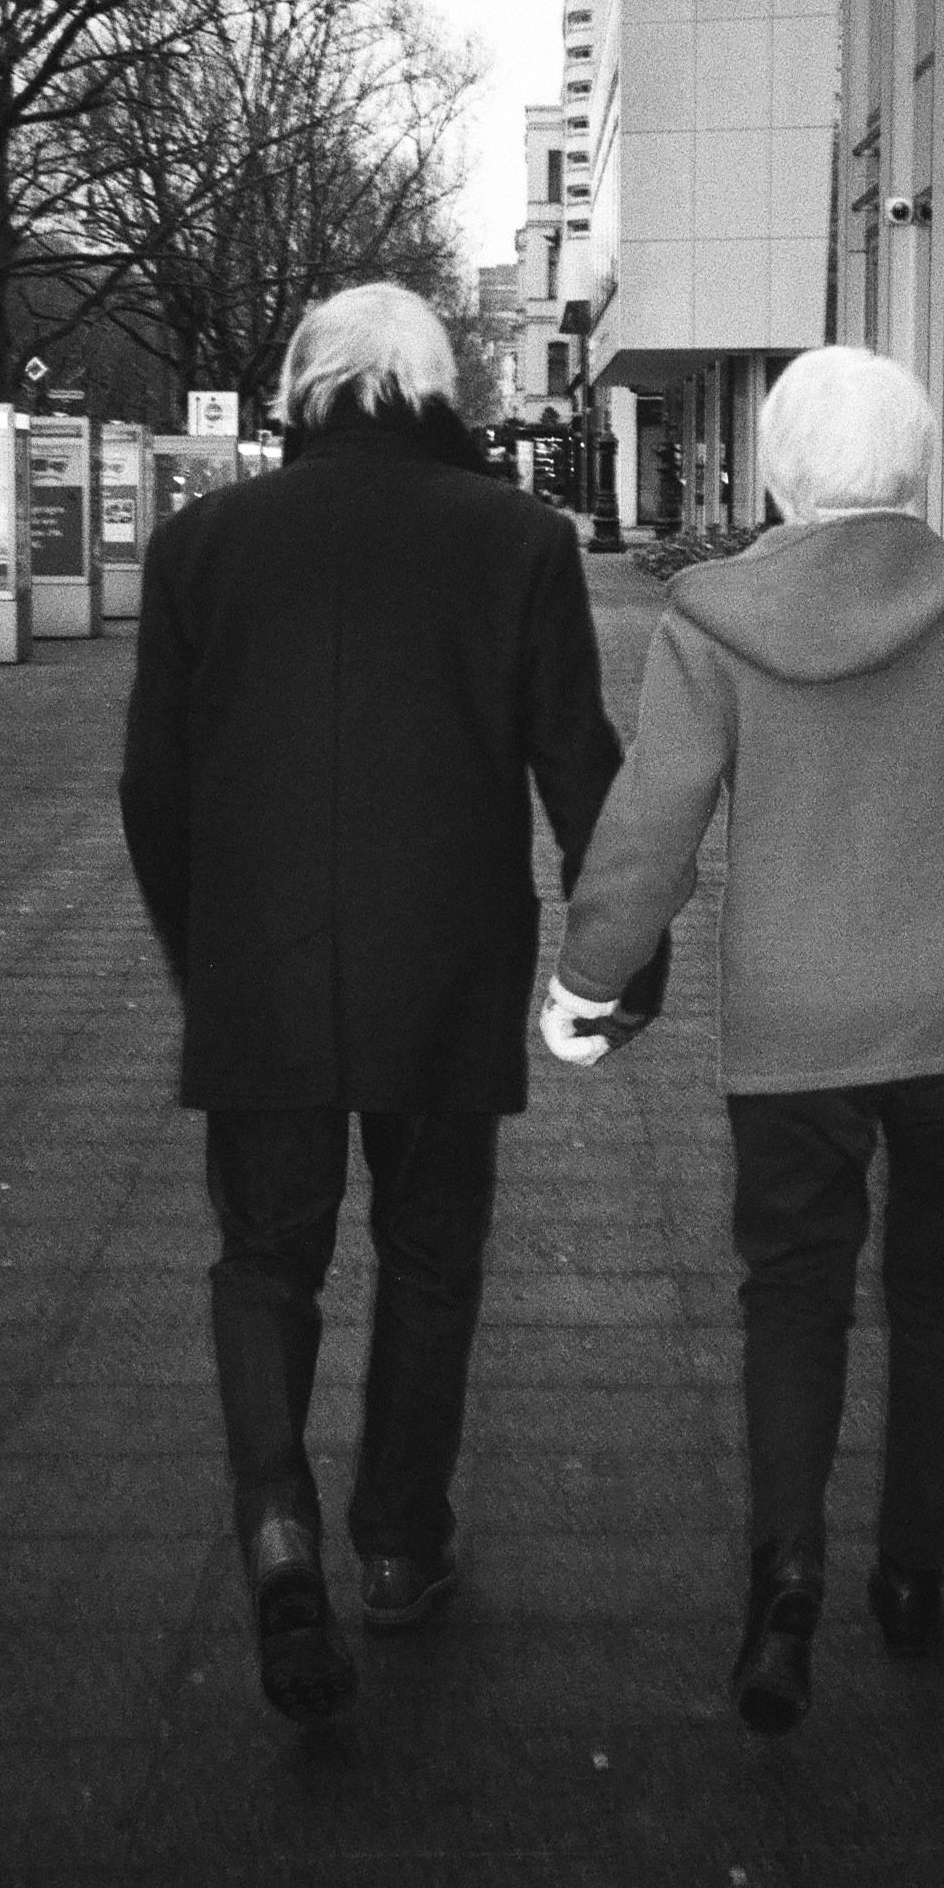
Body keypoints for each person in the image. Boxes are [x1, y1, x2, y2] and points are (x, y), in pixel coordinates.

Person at [541, 346, 944, 1735]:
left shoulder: (717, 622)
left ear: (784, 472)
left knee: (791, 1292)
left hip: (795, 1023)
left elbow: (655, 816)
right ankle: (913, 1570)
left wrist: (587, 975)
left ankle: (784, 1573)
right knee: (940, 1288)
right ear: (916, 464)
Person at [120, 285, 661, 1725]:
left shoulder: (200, 549)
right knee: (431, 1259)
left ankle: (278, 1522)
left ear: (305, 387)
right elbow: (575, 762)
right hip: (446, 973)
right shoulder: (518, 542)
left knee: (262, 1260)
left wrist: (202, 955)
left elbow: (153, 791)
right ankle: (401, 1542)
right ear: (431, 388)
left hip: (263, 973)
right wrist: (627, 951)